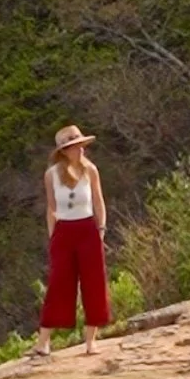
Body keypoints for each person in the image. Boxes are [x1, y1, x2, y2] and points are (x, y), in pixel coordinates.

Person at [30, 124, 111, 357]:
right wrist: (53, 236)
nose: (80, 150)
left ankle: (90, 342)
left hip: (88, 229)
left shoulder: (91, 170)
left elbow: (98, 202)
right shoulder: (52, 175)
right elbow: (51, 208)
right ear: (64, 151)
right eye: (74, 147)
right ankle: (43, 342)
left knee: (93, 283)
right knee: (59, 283)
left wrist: (101, 229)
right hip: (64, 231)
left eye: (81, 145)